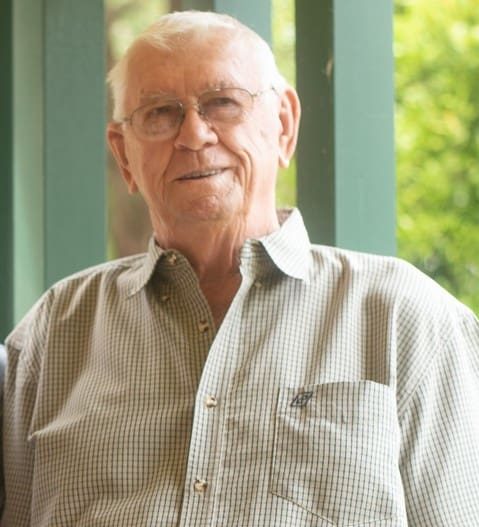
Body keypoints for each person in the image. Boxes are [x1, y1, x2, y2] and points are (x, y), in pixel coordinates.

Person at [2, 10, 478, 527]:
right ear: (123, 155)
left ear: (284, 126)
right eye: (160, 113)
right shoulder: (55, 334)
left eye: (223, 102)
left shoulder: (405, 318)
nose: (193, 135)